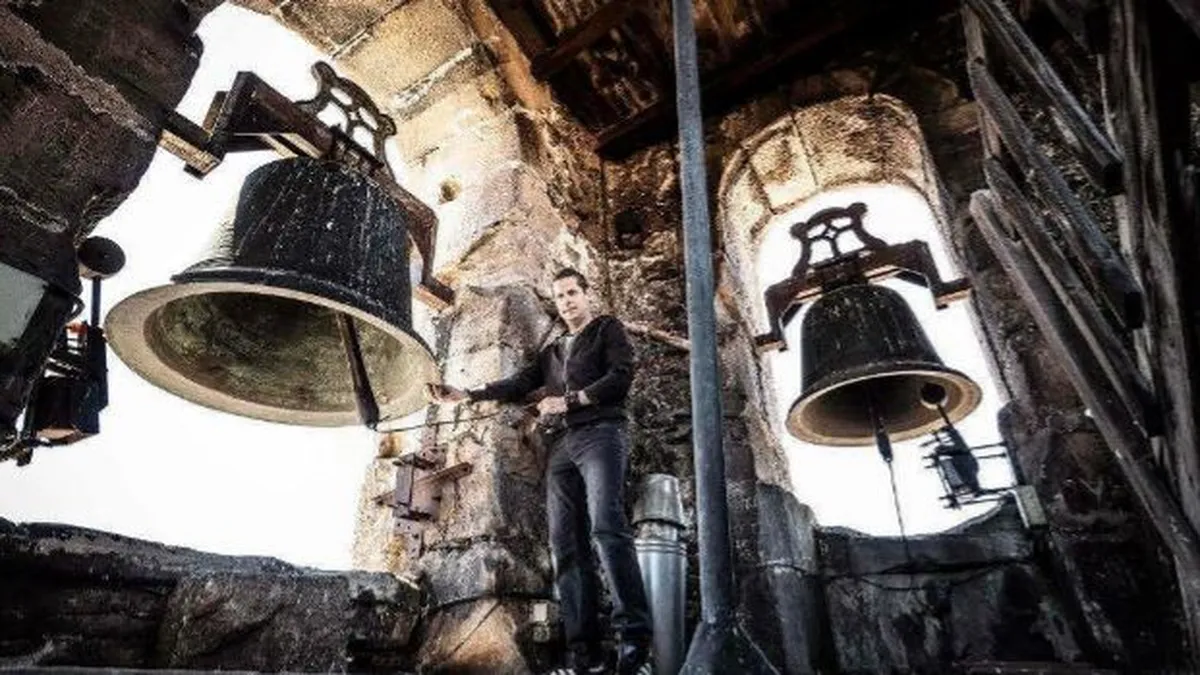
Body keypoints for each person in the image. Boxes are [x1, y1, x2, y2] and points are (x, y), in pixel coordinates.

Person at [427, 268, 652, 675]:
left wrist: (570, 401)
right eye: (560, 296)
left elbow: (621, 377)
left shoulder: (606, 329)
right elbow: (518, 383)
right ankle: (584, 655)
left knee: (607, 526)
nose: (567, 301)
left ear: (586, 294)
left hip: (601, 433)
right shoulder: (552, 352)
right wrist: (466, 394)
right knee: (565, 542)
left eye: (572, 292)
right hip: (563, 446)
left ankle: (635, 640)